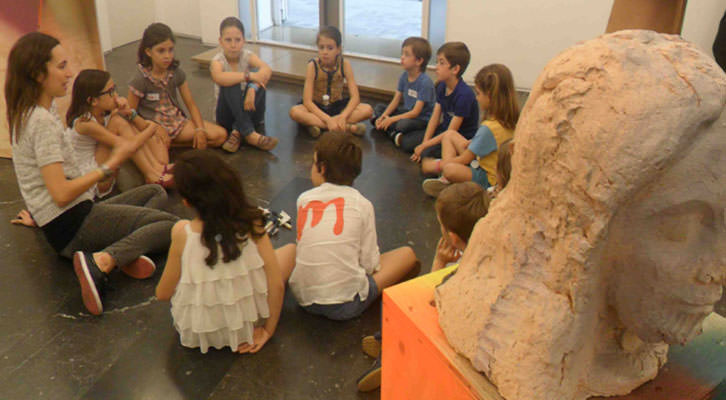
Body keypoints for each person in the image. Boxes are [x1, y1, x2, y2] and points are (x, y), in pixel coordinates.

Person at [5, 32, 179, 315]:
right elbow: (60, 194)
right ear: (38, 73)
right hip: (74, 223)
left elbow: (39, 180)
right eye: (61, 66)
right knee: (172, 226)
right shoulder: (41, 122)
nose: (69, 73)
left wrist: (39, 215)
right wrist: (107, 168)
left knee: (155, 192)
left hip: (71, 220)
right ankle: (103, 261)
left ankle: (124, 250)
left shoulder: (30, 111)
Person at [357, 182, 490, 391]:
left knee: (399, 300)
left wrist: (438, 262)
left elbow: (432, 297)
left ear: (453, 237)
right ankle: (385, 341)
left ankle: (388, 357)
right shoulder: (484, 251)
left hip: (447, 331)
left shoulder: (459, 268)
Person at [155, 150, 285, 354]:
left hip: (198, 331)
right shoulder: (252, 221)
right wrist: (268, 330)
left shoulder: (182, 232)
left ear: (187, 201)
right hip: (248, 325)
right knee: (288, 253)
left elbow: (162, 294)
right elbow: (276, 284)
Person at [282, 132, 419, 321]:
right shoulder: (362, 204)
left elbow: (303, 244)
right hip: (345, 306)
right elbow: (370, 264)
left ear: (322, 168)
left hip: (304, 300)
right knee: (407, 255)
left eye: (313, 163)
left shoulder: (303, 200)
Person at [66, 69, 173, 194]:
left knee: (124, 121)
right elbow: (125, 146)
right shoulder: (85, 123)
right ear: (93, 101)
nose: (116, 96)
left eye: (114, 88)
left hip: (101, 162)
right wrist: (152, 128)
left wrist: (130, 112)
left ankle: (156, 168)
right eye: (110, 92)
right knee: (118, 121)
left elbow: (142, 127)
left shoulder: (104, 114)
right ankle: (151, 173)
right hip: (91, 176)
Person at [421, 64, 519, 197]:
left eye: (478, 93)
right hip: (487, 165)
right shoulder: (510, 121)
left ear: (489, 96)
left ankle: (452, 182)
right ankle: (448, 181)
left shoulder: (489, 128)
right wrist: (473, 142)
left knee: (450, 169)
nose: (477, 98)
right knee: (449, 135)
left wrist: (437, 165)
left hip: (488, 179)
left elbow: (464, 159)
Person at [128, 23, 228, 150]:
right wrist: (151, 128)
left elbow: (190, 104)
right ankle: (160, 143)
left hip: (176, 123)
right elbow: (131, 113)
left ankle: (172, 145)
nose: (167, 56)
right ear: (148, 52)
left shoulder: (176, 72)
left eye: (170, 50)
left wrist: (200, 129)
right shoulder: (140, 79)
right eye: (161, 51)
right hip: (153, 128)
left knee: (220, 136)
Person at [288, 26, 374, 138]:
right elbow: (307, 101)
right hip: (317, 107)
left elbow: (355, 97)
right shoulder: (312, 66)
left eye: (330, 48)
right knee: (295, 112)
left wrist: (343, 116)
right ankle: (346, 127)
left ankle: (318, 126)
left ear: (338, 49)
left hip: (337, 107)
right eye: (321, 47)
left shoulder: (345, 65)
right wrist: (328, 119)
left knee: (367, 110)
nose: (325, 52)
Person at [210, 17, 278, 152]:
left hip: (250, 110)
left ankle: (238, 131)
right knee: (231, 82)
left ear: (244, 41)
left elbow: (267, 70)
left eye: (237, 40)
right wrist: (249, 76)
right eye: (228, 40)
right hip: (226, 116)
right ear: (220, 41)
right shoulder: (217, 61)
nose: (233, 45)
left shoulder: (247, 55)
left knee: (260, 83)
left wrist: (253, 88)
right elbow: (219, 77)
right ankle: (249, 134)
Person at [404, 42, 479, 161]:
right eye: (437, 62)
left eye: (441, 63)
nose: (436, 67)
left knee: (425, 154)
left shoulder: (464, 95)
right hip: (443, 130)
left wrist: (424, 147)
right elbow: (435, 118)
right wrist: (425, 142)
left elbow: (451, 132)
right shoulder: (441, 86)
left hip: (458, 139)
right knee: (408, 143)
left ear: (455, 69)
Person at [371, 37, 435, 146]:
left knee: (402, 125)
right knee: (379, 109)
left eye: (407, 55)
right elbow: (395, 100)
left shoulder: (425, 82)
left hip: (420, 119)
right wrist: (384, 116)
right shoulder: (404, 76)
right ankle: (393, 133)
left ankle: (391, 130)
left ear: (419, 61)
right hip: (406, 112)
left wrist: (391, 120)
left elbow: (416, 112)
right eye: (402, 53)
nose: (402, 57)